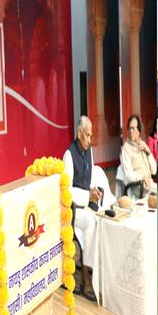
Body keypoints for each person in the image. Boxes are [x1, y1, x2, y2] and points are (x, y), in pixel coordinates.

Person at [63, 116, 116, 302]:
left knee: (102, 219)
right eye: (87, 135)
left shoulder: (89, 151)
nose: (90, 139)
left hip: (87, 203)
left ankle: (97, 272)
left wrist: (94, 191)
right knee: (91, 224)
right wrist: (87, 196)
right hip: (74, 208)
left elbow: (90, 178)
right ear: (79, 134)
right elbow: (67, 191)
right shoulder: (69, 155)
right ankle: (86, 278)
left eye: (91, 135)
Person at [121, 114, 157, 195]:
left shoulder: (143, 144)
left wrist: (148, 153)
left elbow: (154, 170)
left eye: (134, 128)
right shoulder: (125, 149)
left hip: (149, 184)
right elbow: (128, 175)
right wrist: (142, 178)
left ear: (139, 131)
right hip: (138, 186)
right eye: (130, 128)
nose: (131, 131)